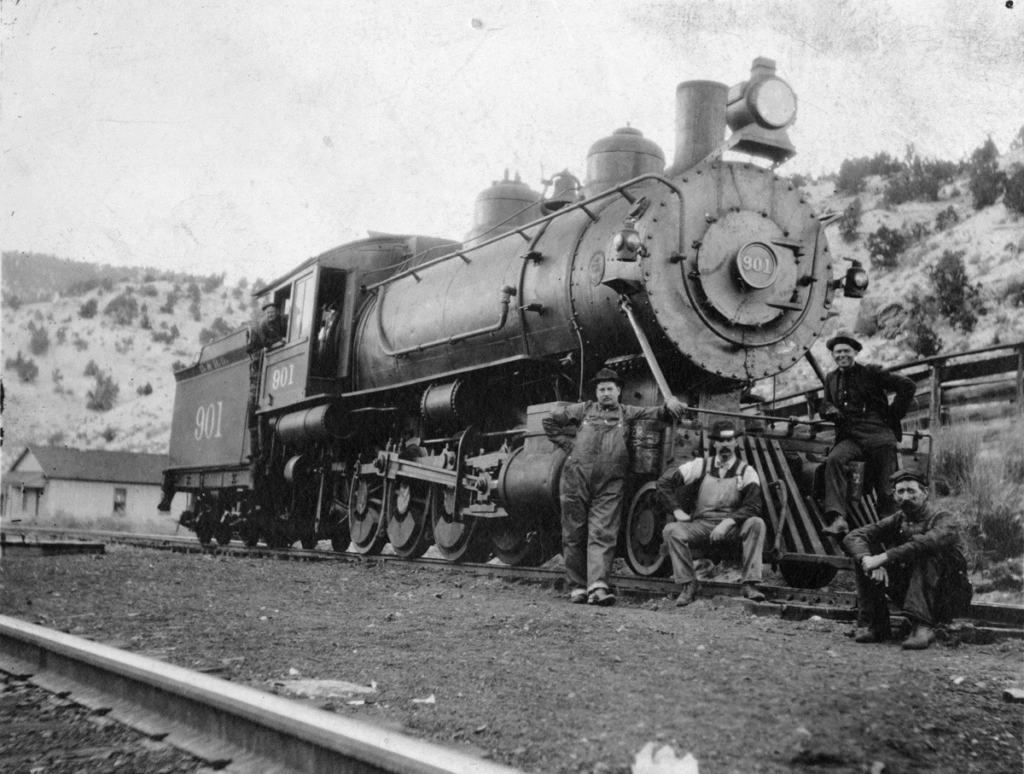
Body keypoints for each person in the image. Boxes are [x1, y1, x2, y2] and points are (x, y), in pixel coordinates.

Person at [543, 368, 686, 606]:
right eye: (601, 389)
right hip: (576, 478)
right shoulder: (583, 409)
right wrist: (568, 445)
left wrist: (668, 405)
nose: (606, 393)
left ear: (619, 391)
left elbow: (653, 413)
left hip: (610, 481)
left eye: (610, 389)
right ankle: (577, 587)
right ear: (596, 392)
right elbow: (550, 420)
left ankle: (597, 587)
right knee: (574, 533)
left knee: (603, 531)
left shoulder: (627, 412)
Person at [843, 468, 972, 650]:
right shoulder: (898, 520)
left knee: (924, 552)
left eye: (911, 491)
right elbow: (854, 536)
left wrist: (883, 558)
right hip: (913, 591)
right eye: (900, 491)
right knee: (864, 556)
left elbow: (925, 543)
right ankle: (876, 625)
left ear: (925, 493)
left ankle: (922, 628)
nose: (905, 497)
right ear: (894, 495)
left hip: (948, 595)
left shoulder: (944, 519)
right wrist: (869, 561)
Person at [657, 420, 767, 607]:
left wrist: (728, 522)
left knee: (757, 523)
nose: (725, 445)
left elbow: (753, 505)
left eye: (729, 440)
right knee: (671, 530)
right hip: (702, 525)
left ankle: (749, 584)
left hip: (732, 527)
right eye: (720, 441)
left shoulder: (746, 471)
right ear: (714, 443)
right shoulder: (700, 466)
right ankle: (689, 584)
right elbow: (663, 483)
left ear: (735, 442)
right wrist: (676, 510)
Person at [818, 331, 916, 537]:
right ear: (833, 355)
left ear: (854, 352)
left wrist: (892, 415)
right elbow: (825, 403)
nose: (841, 355)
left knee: (886, 488)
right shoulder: (831, 378)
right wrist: (830, 410)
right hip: (851, 437)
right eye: (837, 352)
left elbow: (907, 386)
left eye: (846, 351)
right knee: (834, 460)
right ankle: (838, 519)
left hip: (878, 436)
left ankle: (894, 529)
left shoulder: (871, 372)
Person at [247, 302, 287, 461]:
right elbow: (266, 344)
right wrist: (280, 341)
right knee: (253, 407)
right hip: (258, 363)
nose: (270, 315)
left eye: (273, 312)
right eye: (268, 313)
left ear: (277, 312)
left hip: (267, 361)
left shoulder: (282, 321)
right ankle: (256, 451)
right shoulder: (262, 325)